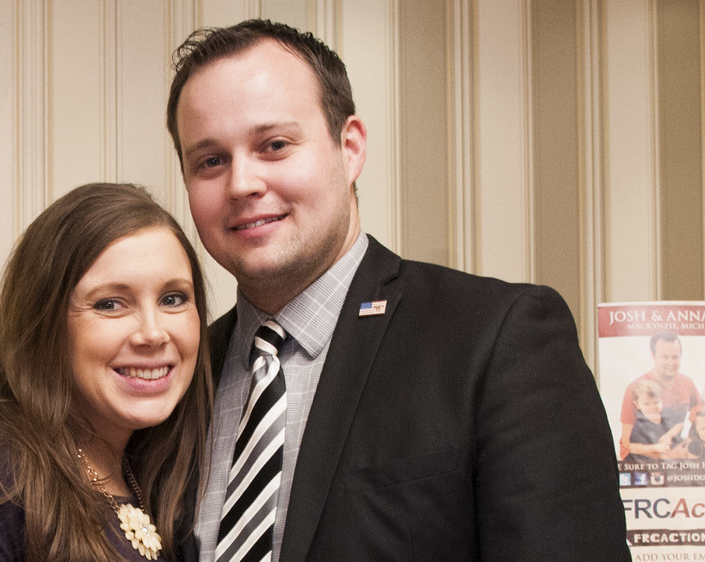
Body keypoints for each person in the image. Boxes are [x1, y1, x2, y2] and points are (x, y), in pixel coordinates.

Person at [166, 19, 629, 560]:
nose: (242, 183)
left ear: (350, 146)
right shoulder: (180, 374)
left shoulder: (498, 339)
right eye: (210, 161)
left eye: (274, 144)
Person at [0, 183, 211, 561]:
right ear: (45, 322)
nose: (153, 332)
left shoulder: (151, 472)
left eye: (173, 298)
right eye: (110, 304)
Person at [619, 331, 701, 459]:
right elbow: (626, 443)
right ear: (653, 355)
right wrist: (659, 451)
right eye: (665, 357)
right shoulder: (634, 389)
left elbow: (700, 415)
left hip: (677, 457)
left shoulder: (687, 383)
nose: (671, 362)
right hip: (645, 461)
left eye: (675, 357)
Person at [623, 380, 685, 463]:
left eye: (656, 402)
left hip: (669, 450)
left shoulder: (667, 412)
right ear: (637, 405)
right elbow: (633, 448)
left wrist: (668, 435)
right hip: (647, 460)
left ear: (662, 400)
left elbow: (680, 424)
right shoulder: (639, 425)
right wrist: (656, 447)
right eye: (647, 404)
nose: (653, 407)